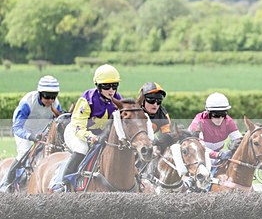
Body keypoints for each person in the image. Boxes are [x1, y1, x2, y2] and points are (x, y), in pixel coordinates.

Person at [50, 64, 122, 192]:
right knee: (82, 148)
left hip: (100, 135)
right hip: (76, 132)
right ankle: (62, 183)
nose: (111, 90)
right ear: (98, 86)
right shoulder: (87, 100)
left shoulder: (117, 100)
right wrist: (92, 138)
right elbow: (78, 127)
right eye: (106, 86)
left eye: (114, 86)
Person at [0, 75, 63, 192]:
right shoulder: (27, 103)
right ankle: (6, 183)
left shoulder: (55, 104)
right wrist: (31, 136)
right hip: (23, 128)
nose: (50, 100)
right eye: (47, 96)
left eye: (53, 96)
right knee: (24, 150)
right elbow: (17, 127)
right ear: (40, 93)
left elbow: (57, 123)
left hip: (41, 129)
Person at [189, 92, 242, 161]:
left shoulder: (228, 121)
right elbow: (200, 147)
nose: (220, 118)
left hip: (216, 157)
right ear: (208, 112)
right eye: (216, 114)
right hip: (195, 155)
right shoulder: (198, 122)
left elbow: (239, 140)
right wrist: (218, 155)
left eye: (223, 113)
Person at [137, 82, 174, 152]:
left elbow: (166, 135)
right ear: (142, 100)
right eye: (151, 100)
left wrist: (157, 145)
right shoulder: (134, 112)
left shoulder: (163, 115)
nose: (155, 104)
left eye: (159, 100)